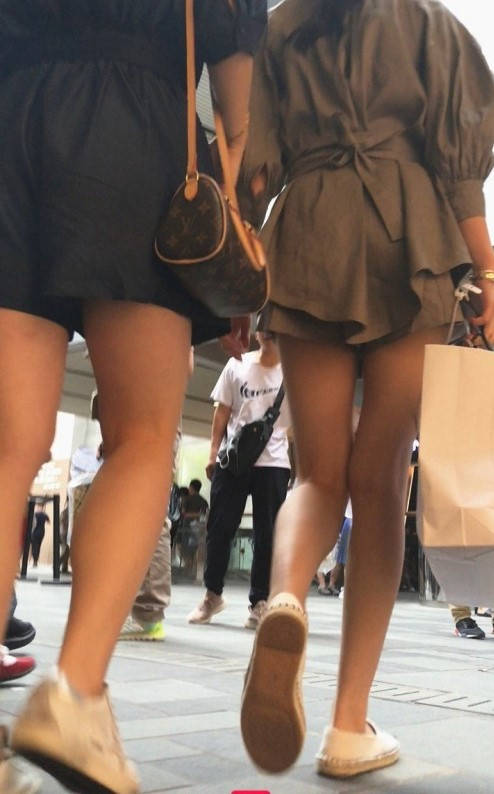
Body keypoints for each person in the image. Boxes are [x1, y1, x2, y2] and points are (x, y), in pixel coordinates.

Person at [0, 3, 266, 792]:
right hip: (139, 138)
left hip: (10, 125)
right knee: (145, 435)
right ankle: (75, 697)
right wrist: (236, 202)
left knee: (8, 443)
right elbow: (236, 102)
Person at [239, 0, 494, 780]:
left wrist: (241, 266)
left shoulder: (282, 26)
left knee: (316, 474)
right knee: (381, 482)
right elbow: (458, 167)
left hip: (309, 230)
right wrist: (487, 270)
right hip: (410, 234)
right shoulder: (426, 21)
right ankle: (349, 726)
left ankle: (286, 598)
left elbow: (255, 169)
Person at [188, 329, 291, 629]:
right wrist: (212, 453)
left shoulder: (292, 373)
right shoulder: (237, 364)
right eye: (264, 325)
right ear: (256, 332)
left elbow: (298, 423)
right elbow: (223, 411)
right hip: (232, 460)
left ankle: (260, 602)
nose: (269, 331)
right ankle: (212, 596)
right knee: (219, 528)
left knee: (267, 534)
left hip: (274, 463)